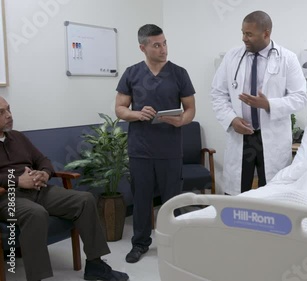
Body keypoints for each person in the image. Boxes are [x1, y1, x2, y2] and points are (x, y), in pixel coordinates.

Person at [0, 97, 129, 281]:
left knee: (84, 199)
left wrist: (45, 173)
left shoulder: (17, 137)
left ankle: (95, 265)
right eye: (1, 112)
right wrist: (16, 180)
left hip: (38, 190)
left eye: (9, 109)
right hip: (8, 197)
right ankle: (37, 277)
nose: (9, 115)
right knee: (35, 213)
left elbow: (42, 159)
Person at [115, 24, 196, 263]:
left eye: (165, 43)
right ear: (143, 47)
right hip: (140, 149)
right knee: (141, 199)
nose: (163, 49)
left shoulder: (179, 73)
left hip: (170, 148)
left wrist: (180, 121)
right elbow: (120, 109)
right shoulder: (131, 73)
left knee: (172, 199)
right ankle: (140, 243)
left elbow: (190, 109)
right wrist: (137, 114)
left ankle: (174, 242)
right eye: (157, 45)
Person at [211, 10, 307, 195]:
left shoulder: (287, 58)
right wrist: (232, 120)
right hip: (241, 134)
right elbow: (218, 93)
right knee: (237, 193)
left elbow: (300, 97)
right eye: (242, 32)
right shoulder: (232, 57)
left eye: (249, 34)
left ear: (266, 33)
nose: (243, 38)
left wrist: (268, 105)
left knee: (272, 193)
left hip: (272, 136)